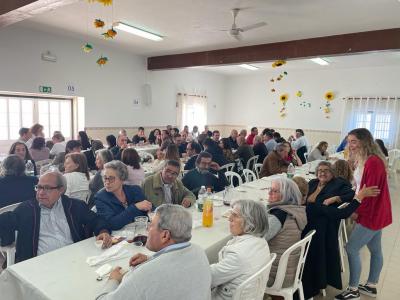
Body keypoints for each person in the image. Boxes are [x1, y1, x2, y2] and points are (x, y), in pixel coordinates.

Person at [96, 204, 211, 300]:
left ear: (165, 235)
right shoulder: (199, 251)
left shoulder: (144, 274)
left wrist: (113, 280)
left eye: (151, 225)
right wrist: (151, 259)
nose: (147, 229)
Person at [0, 171, 112, 263]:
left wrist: (103, 231)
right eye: (38, 187)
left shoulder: (74, 206)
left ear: (61, 190)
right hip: (41, 263)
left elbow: (95, 220)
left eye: (47, 188)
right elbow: (5, 222)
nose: (41, 193)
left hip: (76, 258)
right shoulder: (27, 209)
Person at [335, 128, 392, 300]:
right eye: (348, 141)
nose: (350, 145)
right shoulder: (366, 159)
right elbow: (360, 188)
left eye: (354, 141)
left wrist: (356, 212)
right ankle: (371, 285)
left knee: (351, 248)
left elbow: (370, 194)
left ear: (364, 141)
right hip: (377, 212)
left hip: (372, 213)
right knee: (375, 249)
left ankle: (353, 290)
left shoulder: (373, 162)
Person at [210, 199, 270, 300]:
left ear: (250, 222)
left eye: (235, 215)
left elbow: (208, 278)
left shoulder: (238, 254)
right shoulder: (262, 242)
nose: (229, 219)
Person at [264, 178, 307, 289]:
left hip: (275, 275)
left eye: (274, 191)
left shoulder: (279, 215)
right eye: (270, 189)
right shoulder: (295, 210)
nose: (269, 193)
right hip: (290, 269)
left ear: (286, 195)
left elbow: (259, 237)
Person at [95, 160, 152, 230]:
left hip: (140, 232)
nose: (107, 182)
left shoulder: (135, 190)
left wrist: (150, 211)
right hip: (118, 238)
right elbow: (111, 224)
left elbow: (150, 209)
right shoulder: (101, 197)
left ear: (122, 179)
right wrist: (135, 207)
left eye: (111, 178)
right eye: (105, 178)